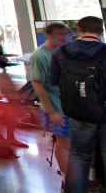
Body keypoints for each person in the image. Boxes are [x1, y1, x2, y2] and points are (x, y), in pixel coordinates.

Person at [48, 16, 106, 193]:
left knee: (78, 154)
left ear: (79, 29)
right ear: (101, 31)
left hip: (78, 111)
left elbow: (54, 81)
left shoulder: (61, 52)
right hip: (104, 111)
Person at [30, 21, 71, 191]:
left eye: (66, 34)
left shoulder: (64, 51)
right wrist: (52, 111)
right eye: (60, 34)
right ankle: (67, 181)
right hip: (56, 107)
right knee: (65, 143)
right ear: (48, 35)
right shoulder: (40, 56)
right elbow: (38, 85)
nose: (64, 37)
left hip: (70, 105)